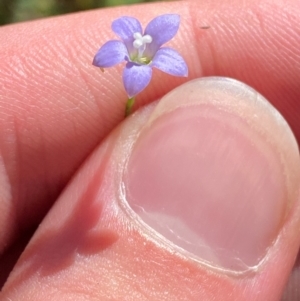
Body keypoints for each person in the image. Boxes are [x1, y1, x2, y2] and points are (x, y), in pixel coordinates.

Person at [0, 0, 299, 300]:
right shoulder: (130, 59)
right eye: (136, 49)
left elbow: (173, 63)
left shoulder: (162, 59)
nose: (140, 52)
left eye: (145, 52)